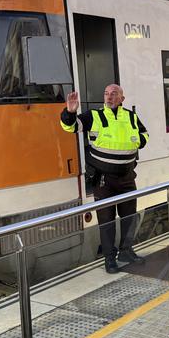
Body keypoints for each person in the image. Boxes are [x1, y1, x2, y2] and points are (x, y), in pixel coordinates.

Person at [61, 84, 148, 273]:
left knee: (129, 217)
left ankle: (126, 251)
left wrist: (138, 141)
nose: (109, 97)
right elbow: (71, 127)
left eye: (114, 94)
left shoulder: (131, 116)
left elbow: (144, 134)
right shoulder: (94, 116)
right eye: (106, 94)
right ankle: (110, 259)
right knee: (107, 221)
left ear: (122, 99)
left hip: (126, 178)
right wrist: (69, 112)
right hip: (103, 179)